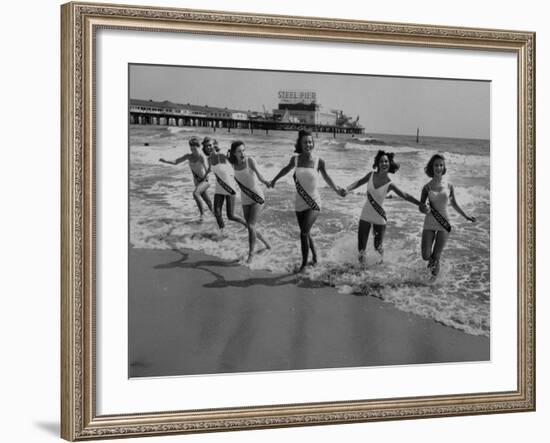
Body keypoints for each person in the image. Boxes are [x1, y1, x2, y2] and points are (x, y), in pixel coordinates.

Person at [270, 130, 346, 273]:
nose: (308, 144)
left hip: (314, 202)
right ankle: (315, 258)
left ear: (313, 144)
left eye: (310, 142)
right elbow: (285, 170)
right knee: (307, 232)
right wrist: (273, 180)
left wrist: (337, 190)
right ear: (300, 143)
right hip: (299, 203)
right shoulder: (296, 160)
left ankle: (304, 265)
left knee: (304, 233)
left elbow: (327, 178)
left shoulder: (319, 161)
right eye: (305, 142)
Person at [346, 150, 426, 263]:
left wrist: (420, 204)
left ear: (389, 164)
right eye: (382, 161)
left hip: (379, 217)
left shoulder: (390, 184)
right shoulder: (371, 175)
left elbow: (405, 195)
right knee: (361, 249)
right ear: (378, 164)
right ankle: (362, 272)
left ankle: (380, 270)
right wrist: (347, 189)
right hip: (365, 215)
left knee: (378, 248)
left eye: (386, 162)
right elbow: (358, 182)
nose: (384, 164)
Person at [420, 153, 476, 277]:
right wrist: (424, 209)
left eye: (441, 165)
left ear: (444, 168)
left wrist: (466, 216)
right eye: (436, 165)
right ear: (432, 167)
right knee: (426, 255)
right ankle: (432, 271)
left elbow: (454, 204)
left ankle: (432, 281)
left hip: (444, 223)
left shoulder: (449, 186)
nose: (438, 167)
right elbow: (421, 207)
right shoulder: (426, 187)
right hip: (429, 222)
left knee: (436, 256)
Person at [227, 140, 271, 262]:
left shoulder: (250, 160)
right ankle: (267, 244)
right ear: (234, 153)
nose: (242, 153)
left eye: (243, 150)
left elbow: (259, 175)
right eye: (239, 151)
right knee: (250, 227)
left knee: (251, 225)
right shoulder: (232, 165)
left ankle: (251, 254)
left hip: (257, 196)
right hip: (245, 198)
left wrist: (266, 182)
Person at [159, 136, 213, 220]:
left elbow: (207, 171)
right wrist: (165, 161)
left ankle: (202, 215)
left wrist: (205, 176)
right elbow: (176, 162)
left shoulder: (202, 157)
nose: (193, 151)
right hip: (197, 183)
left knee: (195, 194)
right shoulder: (189, 156)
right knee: (208, 202)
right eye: (191, 149)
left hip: (205, 181)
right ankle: (217, 217)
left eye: (195, 149)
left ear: (199, 147)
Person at [203, 136, 247, 235]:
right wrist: (205, 177)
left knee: (230, 215)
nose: (209, 147)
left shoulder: (222, 155)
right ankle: (222, 232)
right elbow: (209, 169)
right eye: (207, 146)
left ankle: (247, 224)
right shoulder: (209, 159)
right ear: (205, 148)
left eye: (210, 145)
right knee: (217, 212)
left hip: (229, 187)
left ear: (214, 145)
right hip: (219, 187)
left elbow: (234, 162)